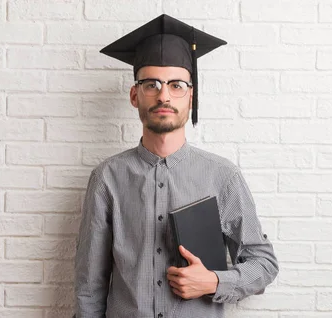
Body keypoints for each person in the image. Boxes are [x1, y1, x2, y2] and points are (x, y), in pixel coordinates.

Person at [74, 14, 278, 318]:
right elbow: (90, 284)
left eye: (176, 85)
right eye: (151, 84)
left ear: (191, 96)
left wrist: (214, 281)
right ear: (135, 95)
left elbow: (263, 263)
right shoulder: (107, 178)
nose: (164, 95)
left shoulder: (223, 177)